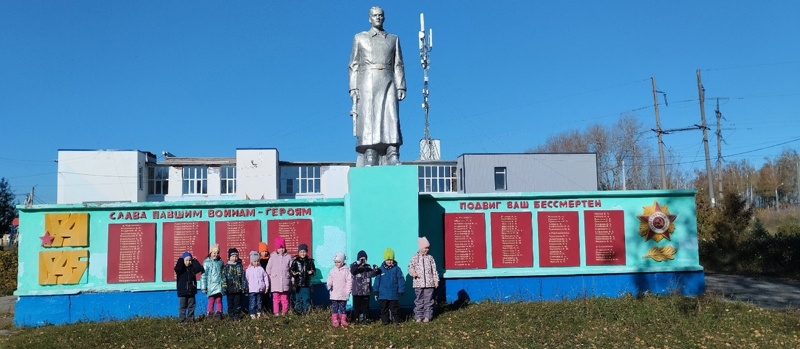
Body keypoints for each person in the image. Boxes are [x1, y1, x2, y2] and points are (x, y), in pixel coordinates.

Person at [348, 6, 406, 166]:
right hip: (367, 80)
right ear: (369, 18)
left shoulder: (393, 39)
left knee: (391, 115)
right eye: (375, 16)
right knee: (369, 116)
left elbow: (398, 64)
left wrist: (401, 85)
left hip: (388, 79)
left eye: (380, 15)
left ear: (384, 18)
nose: (378, 18)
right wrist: (353, 88)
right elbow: (353, 65)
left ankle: (392, 152)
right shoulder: (360, 38)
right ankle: (370, 152)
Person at [408, 237, 440, 323]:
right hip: (418, 283)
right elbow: (410, 267)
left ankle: (428, 316)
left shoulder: (430, 258)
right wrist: (413, 273)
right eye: (425, 247)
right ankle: (418, 316)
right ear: (420, 247)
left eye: (428, 248)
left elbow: (434, 270)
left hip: (429, 284)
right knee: (419, 300)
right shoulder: (415, 257)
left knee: (428, 300)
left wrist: (436, 280)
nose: (427, 249)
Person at [373, 248, 405, 326]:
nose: (389, 261)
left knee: (394, 308)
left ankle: (396, 320)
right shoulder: (380, 269)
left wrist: (401, 290)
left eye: (391, 259)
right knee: (384, 308)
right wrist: (376, 290)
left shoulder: (397, 269)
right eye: (387, 260)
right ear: (384, 260)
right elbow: (377, 280)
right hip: (383, 294)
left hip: (393, 293)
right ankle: (385, 321)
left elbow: (401, 279)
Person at [350, 250, 381, 324]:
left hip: (366, 291)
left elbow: (372, 274)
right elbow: (352, 270)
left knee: (366, 307)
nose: (363, 260)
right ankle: (356, 319)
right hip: (357, 291)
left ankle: (366, 319)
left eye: (365, 258)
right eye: (361, 258)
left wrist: (376, 270)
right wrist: (358, 263)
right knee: (356, 307)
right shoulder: (354, 266)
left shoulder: (368, 266)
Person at [266, 237, 292, 315]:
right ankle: (276, 312)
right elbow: (268, 269)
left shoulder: (288, 257)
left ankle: (284, 312)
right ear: (276, 249)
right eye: (279, 248)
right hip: (275, 282)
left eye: (283, 248)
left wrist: (291, 278)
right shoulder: (272, 257)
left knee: (285, 298)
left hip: (285, 282)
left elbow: (292, 269)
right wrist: (271, 278)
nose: (281, 250)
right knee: (276, 298)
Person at [175, 251, 204, 323]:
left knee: (192, 306)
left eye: (190, 260)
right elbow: (177, 269)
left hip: (191, 291)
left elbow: (199, 268)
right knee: (182, 307)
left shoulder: (192, 268)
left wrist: (194, 260)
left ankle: (190, 320)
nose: (188, 262)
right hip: (183, 292)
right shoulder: (181, 269)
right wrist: (181, 260)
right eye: (186, 260)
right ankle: (182, 320)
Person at [327, 252, 353, 327]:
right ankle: (335, 320)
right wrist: (329, 284)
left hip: (343, 293)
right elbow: (330, 278)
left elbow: (349, 282)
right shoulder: (333, 271)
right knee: (335, 307)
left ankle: (343, 319)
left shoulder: (346, 271)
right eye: (335, 262)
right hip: (334, 293)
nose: (337, 264)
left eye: (338, 262)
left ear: (342, 261)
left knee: (342, 307)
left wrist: (348, 292)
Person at [199, 244, 224, 319]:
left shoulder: (220, 262)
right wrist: (203, 287)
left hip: (219, 286)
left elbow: (223, 274)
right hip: (210, 286)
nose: (216, 254)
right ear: (210, 253)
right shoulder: (206, 262)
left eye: (217, 253)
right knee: (211, 300)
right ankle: (210, 313)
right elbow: (203, 275)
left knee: (219, 300)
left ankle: (219, 313)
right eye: (214, 253)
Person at [221, 248, 247, 320]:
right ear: (229, 257)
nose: (235, 258)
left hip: (238, 289)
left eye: (236, 256)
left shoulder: (239, 266)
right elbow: (223, 278)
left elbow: (243, 278)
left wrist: (244, 287)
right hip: (230, 290)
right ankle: (231, 316)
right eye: (233, 256)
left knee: (237, 303)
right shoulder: (226, 267)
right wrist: (224, 288)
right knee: (230, 303)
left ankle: (237, 315)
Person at [290, 243, 316, 314]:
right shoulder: (295, 261)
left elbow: (313, 270)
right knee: (297, 298)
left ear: (306, 252)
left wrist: (312, 272)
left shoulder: (310, 261)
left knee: (306, 298)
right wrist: (293, 273)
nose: (302, 253)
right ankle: (298, 311)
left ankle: (306, 311)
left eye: (304, 252)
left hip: (306, 283)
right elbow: (291, 269)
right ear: (298, 252)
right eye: (301, 252)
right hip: (297, 284)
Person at [246, 251, 270, 319]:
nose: (256, 263)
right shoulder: (249, 270)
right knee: (252, 302)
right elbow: (246, 279)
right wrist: (246, 288)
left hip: (260, 290)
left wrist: (266, 287)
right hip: (252, 290)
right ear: (251, 262)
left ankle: (258, 313)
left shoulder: (261, 269)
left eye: (258, 261)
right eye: (255, 261)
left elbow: (265, 278)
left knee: (259, 302)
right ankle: (252, 313)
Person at [257, 242, 272, 314]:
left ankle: (267, 310)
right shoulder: (258, 261)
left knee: (267, 296)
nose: (265, 253)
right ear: (260, 252)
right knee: (260, 297)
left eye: (266, 251)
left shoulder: (270, 260)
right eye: (263, 251)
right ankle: (261, 310)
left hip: (268, 281)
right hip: (260, 281)